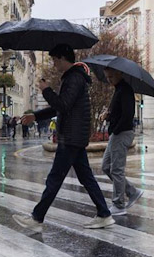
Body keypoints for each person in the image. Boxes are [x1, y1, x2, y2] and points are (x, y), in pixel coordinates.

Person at [15, 44, 114, 232]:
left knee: (55, 178)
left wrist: (46, 90)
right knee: (86, 177)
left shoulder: (74, 78)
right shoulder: (73, 78)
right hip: (74, 135)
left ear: (62, 59)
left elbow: (64, 105)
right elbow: (59, 106)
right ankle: (104, 213)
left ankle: (37, 219)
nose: (54, 64)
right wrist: (36, 116)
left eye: (55, 60)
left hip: (70, 136)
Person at [101, 69, 143, 213]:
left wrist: (116, 129)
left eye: (111, 76)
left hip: (122, 133)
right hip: (117, 133)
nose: (109, 79)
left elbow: (127, 114)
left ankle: (119, 204)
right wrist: (108, 115)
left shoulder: (125, 90)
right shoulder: (118, 89)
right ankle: (132, 192)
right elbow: (118, 112)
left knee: (116, 169)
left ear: (120, 74)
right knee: (106, 166)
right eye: (107, 77)